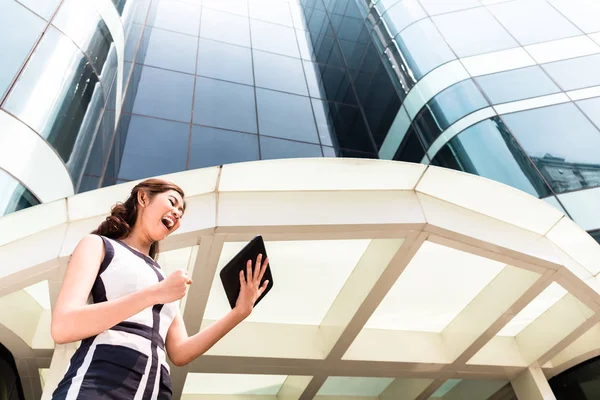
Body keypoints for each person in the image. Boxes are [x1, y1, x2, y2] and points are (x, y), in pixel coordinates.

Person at [50, 178, 269, 399]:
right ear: (143, 197)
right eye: (172, 203)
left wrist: (240, 311)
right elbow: (63, 326)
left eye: (181, 213)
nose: (176, 214)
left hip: (157, 388)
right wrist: (156, 293)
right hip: (100, 378)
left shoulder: (162, 277)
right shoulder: (98, 245)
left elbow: (180, 352)